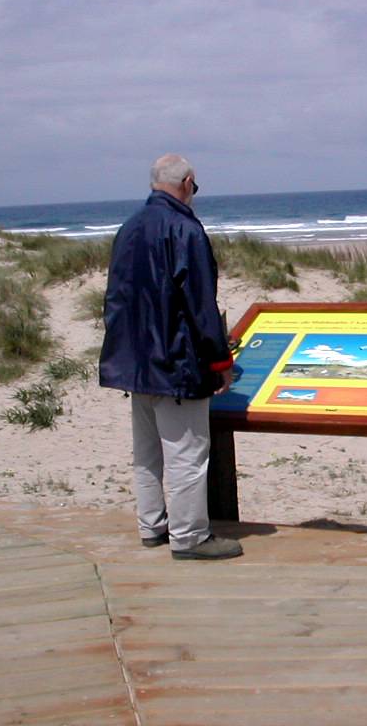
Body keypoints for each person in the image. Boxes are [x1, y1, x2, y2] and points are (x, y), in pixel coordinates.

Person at [99, 154, 243, 560]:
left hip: (135, 360)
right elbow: (200, 305)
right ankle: (189, 536)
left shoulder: (129, 228)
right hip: (175, 361)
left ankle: (152, 525)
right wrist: (220, 361)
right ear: (188, 183)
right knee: (186, 453)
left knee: (147, 453)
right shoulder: (184, 229)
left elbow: (114, 300)